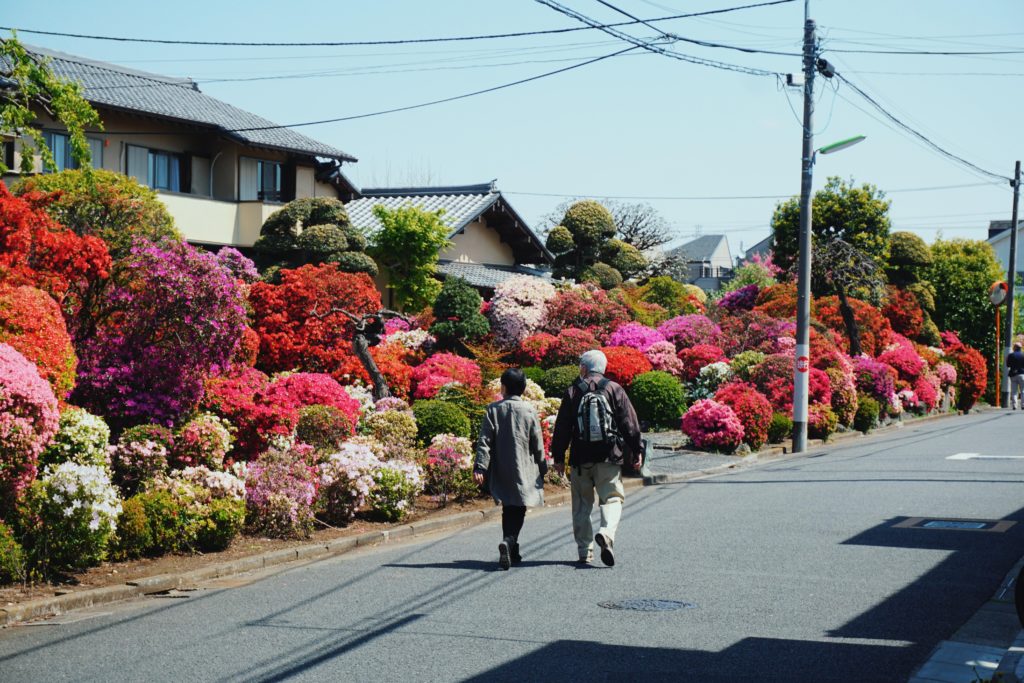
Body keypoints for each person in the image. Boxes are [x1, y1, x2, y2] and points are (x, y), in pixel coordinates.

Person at [550, 349, 642, 567]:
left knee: (582, 505)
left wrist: (558, 457)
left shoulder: (573, 391)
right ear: (603, 368)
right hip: (609, 457)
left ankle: (585, 550)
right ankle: (606, 533)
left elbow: (562, 427)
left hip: (580, 459)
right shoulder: (614, 389)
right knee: (611, 497)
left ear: (584, 367)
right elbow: (629, 424)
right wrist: (636, 451)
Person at [474, 368, 547, 570]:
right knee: (520, 507)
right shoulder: (529, 410)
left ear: (503, 387)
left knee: (509, 507)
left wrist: (480, 466)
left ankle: (512, 548)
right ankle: (509, 542)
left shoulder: (494, 409)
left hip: (502, 466)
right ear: (523, 389)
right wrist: (543, 465)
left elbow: (484, 441)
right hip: (524, 466)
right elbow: (537, 442)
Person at [1008, 343, 1024, 409]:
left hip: (1013, 374)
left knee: (1014, 390)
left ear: (1015, 347)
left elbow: (1008, 365)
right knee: (1023, 390)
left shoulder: (1011, 355)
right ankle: (1023, 405)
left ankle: (1014, 405)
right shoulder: (1023, 355)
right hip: (1022, 374)